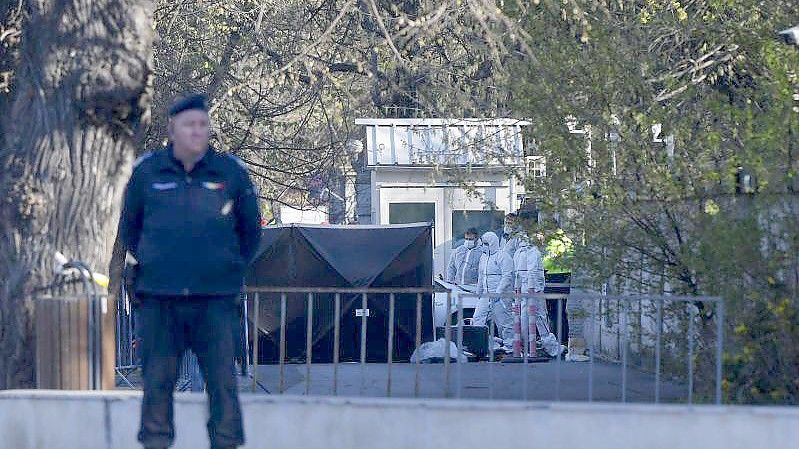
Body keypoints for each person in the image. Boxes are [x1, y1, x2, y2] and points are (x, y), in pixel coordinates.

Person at [119, 94, 261, 449]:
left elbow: (250, 233)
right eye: (189, 125)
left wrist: (224, 268)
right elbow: (130, 229)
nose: (197, 131)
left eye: (202, 124)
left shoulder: (230, 172)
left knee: (222, 387)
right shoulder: (147, 172)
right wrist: (159, 262)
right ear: (172, 129)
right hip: (160, 300)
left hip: (214, 302)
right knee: (157, 386)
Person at [473, 232, 515, 352]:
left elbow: (507, 276)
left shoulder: (503, 256)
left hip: (500, 296)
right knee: (478, 318)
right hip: (486, 294)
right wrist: (479, 291)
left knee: (504, 322)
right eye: (483, 243)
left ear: (493, 243)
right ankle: (481, 343)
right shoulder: (483, 257)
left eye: (486, 244)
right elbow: (481, 276)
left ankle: (510, 345)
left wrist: (498, 292)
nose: (484, 246)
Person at [513, 232, 548, 355]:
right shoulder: (533, 251)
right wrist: (534, 288)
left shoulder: (518, 252)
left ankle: (525, 344)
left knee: (524, 316)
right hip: (533, 290)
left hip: (522, 289)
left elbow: (516, 273)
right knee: (540, 317)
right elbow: (532, 271)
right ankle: (550, 347)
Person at [544, 229, 574, 348]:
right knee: (560, 312)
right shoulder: (566, 241)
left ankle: (558, 340)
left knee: (554, 312)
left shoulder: (555, 242)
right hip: (564, 279)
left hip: (554, 279)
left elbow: (548, 262)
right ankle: (562, 339)